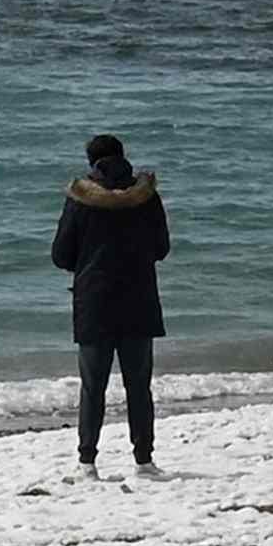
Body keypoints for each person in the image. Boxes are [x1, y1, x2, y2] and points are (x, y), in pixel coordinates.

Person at [54, 134, 170, 477]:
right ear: (122, 157)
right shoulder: (146, 197)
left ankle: (87, 462)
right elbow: (161, 248)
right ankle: (144, 460)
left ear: (92, 163)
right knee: (138, 385)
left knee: (93, 387)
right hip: (139, 300)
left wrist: (87, 261)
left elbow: (60, 254)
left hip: (94, 303)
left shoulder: (80, 199)